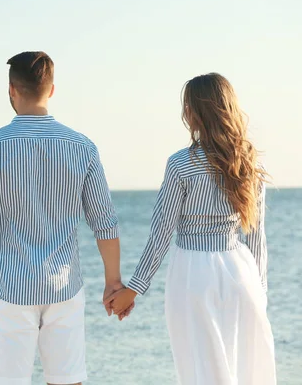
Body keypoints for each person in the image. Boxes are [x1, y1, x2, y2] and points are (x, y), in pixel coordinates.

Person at [0, 51, 133, 385]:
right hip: (64, 287)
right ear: (51, 90)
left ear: (12, 90)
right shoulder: (82, 146)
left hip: (9, 287)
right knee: (68, 382)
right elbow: (104, 221)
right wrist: (113, 280)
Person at [107, 73, 277, 384]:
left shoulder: (180, 164)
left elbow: (159, 236)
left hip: (193, 275)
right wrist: (260, 294)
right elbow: (256, 237)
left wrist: (133, 290)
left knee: (201, 372)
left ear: (193, 113)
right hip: (242, 275)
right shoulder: (250, 165)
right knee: (243, 372)